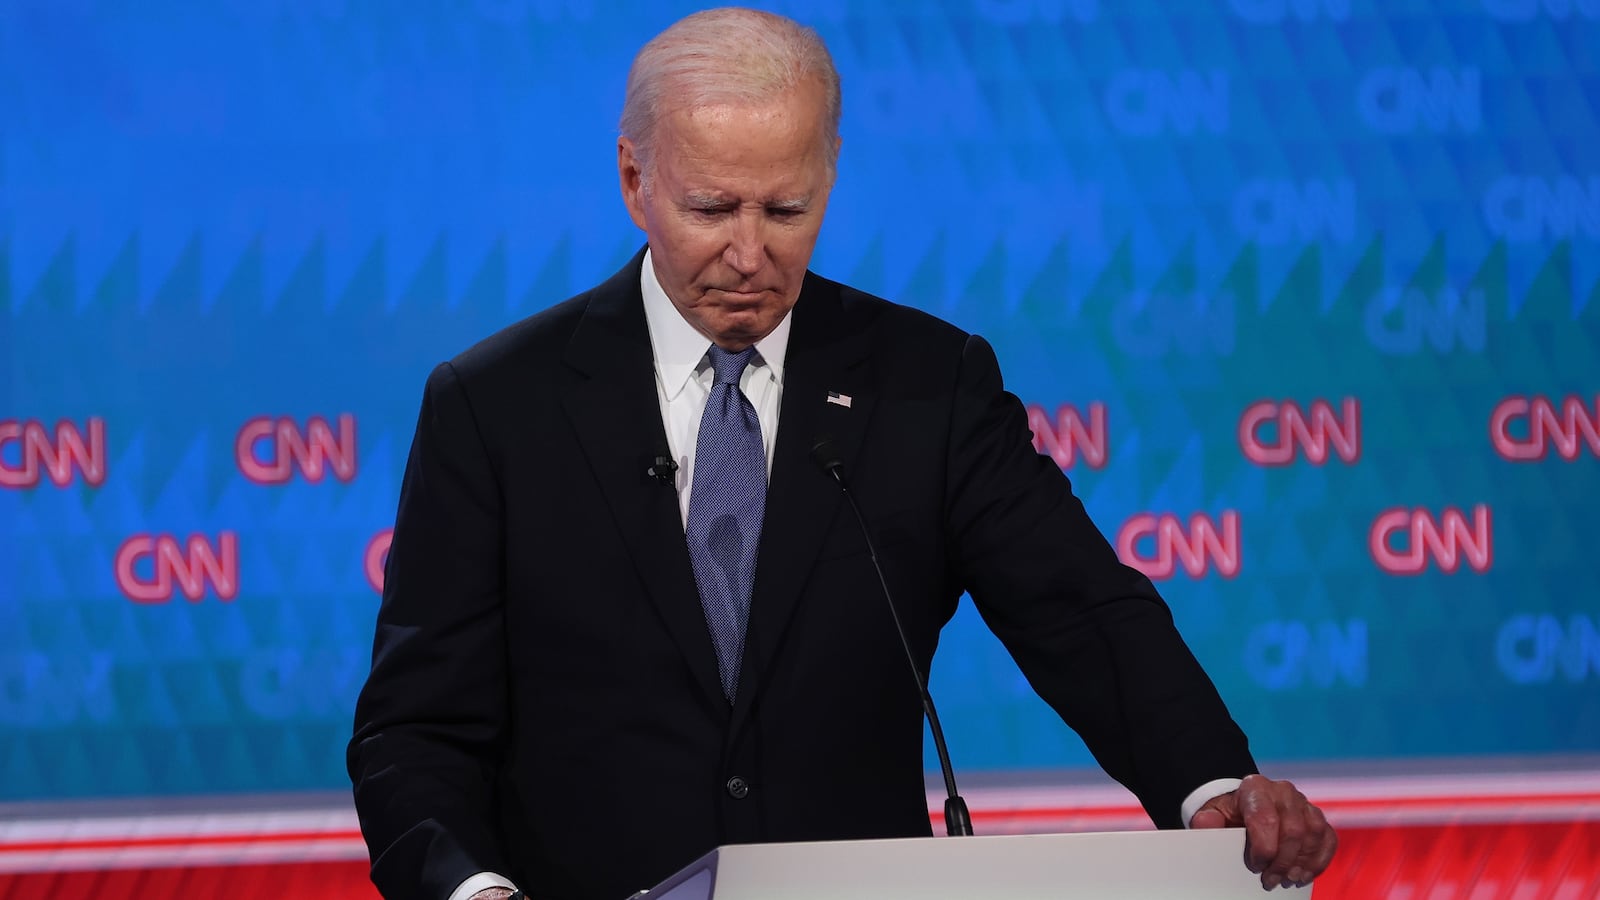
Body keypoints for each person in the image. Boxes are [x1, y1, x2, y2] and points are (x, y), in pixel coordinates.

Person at [347, 8, 1337, 900]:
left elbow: (1080, 613)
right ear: (634, 179)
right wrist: (470, 892)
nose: (749, 253)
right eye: (711, 209)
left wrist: (1211, 782)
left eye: (785, 211)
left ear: (829, 177)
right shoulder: (496, 405)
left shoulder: (927, 386)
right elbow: (417, 732)